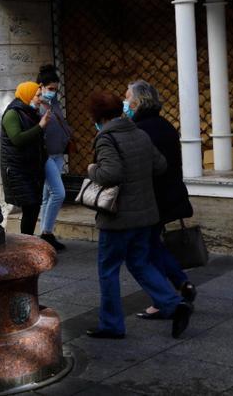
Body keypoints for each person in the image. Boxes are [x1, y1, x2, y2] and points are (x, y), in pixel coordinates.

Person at [84, 91, 191, 340]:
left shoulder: (106, 138)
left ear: (99, 116)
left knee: (108, 270)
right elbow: (160, 165)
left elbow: (110, 174)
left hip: (118, 218)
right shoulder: (139, 133)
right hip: (145, 215)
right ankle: (174, 304)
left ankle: (112, 325)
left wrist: (92, 170)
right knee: (140, 263)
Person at [125, 80, 198, 320]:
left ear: (136, 102)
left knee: (144, 250)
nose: (125, 103)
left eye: (127, 98)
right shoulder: (164, 125)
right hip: (169, 195)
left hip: (153, 199)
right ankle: (181, 283)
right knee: (153, 244)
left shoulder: (141, 130)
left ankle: (164, 299)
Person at [1, 81, 49, 236]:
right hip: (17, 169)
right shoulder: (12, 114)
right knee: (30, 205)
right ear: (27, 95)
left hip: (31, 168)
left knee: (33, 206)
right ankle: (26, 242)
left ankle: (27, 241)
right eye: (38, 95)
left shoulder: (30, 112)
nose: (40, 98)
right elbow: (17, 139)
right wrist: (40, 126)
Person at [35, 64, 71, 252]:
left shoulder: (53, 103)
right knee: (59, 193)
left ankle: (45, 233)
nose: (53, 93)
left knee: (48, 194)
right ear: (40, 86)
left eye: (56, 90)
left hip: (58, 153)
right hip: (47, 155)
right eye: (50, 89)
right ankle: (46, 234)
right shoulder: (36, 105)